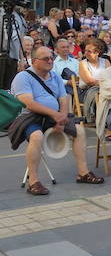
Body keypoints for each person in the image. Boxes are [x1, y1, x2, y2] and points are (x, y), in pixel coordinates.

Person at [11, 46, 103, 195]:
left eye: (51, 58)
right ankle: (33, 181)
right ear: (34, 61)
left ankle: (83, 173)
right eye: (45, 58)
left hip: (54, 116)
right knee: (36, 136)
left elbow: (63, 99)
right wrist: (55, 115)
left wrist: (62, 117)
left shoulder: (55, 76)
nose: (50, 61)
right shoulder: (22, 77)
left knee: (79, 131)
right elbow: (28, 103)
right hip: (30, 117)